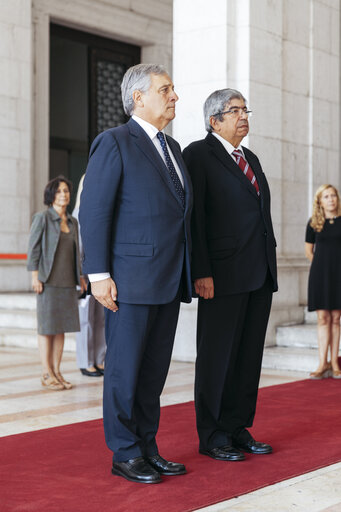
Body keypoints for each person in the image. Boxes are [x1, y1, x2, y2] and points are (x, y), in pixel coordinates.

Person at [79, 63, 193, 484]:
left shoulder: (174, 149)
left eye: (174, 89)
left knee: (152, 373)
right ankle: (124, 453)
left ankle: (147, 446)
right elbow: (95, 212)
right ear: (138, 97)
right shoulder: (114, 142)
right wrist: (98, 274)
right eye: (166, 89)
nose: (174, 96)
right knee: (125, 371)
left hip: (168, 279)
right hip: (128, 280)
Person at [183, 88, 277, 462]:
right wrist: (200, 270)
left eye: (244, 109)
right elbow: (195, 217)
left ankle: (238, 427)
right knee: (217, 357)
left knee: (247, 356)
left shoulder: (249, 157)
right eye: (233, 110)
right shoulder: (198, 155)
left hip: (258, 272)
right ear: (214, 120)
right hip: (220, 275)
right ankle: (213, 434)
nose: (243, 116)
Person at [27, 175, 87, 390]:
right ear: (51, 195)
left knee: (61, 329)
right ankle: (46, 373)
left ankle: (57, 372)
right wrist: (35, 276)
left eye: (66, 191)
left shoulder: (73, 222)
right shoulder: (42, 218)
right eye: (60, 191)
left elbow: (76, 253)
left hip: (68, 282)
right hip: (48, 281)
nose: (64, 194)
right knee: (47, 329)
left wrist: (81, 277)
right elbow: (33, 249)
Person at [305, 184, 341, 380]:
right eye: (326, 196)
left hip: (339, 275)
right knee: (322, 319)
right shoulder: (313, 223)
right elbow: (309, 252)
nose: (331, 199)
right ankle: (322, 363)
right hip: (320, 275)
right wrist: (322, 267)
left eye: (333, 195)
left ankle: (335, 363)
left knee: (336, 319)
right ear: (320, 201)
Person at [72, 175, 106, 377]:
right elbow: (76, 251)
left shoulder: (97, 212)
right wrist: (80, 277)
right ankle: (86, 362)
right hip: (83, 277)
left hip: (99, 275)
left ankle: (99, 359)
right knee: (85, 321)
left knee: (100, 320)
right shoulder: (77, 215)